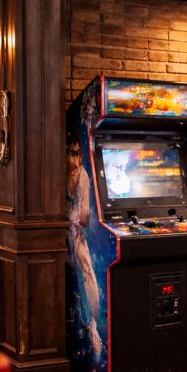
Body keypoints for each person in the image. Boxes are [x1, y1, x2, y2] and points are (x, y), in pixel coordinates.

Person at [67, 134, 103, 355]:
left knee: (88, 271)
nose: (76, 159)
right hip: (55, 232)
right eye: (72, 153)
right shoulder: (57, 174)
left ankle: (93, 325)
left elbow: (83, 217)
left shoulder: (82, 176)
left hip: (73, 230)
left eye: (79, 154)